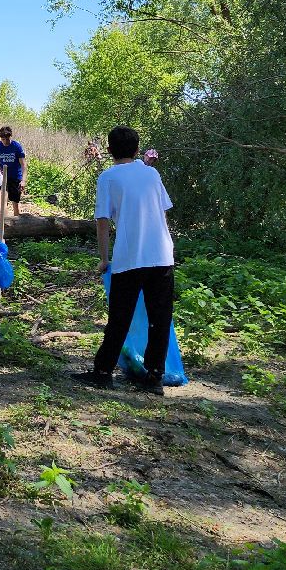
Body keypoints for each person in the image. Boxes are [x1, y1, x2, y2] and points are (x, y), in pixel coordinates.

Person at [73, 125, 176, 397]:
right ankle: (155, 376)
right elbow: (163, 212)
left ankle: (103, 372)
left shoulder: (108, 177)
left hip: (129, 257)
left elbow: (102, 221)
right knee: (160, 318)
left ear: (109, 150)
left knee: (120, 317)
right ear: (137, 149)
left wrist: (104, 258)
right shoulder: (151, 173)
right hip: (161, 255)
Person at [0, 126, 28, 219]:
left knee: (15, 200)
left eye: (7, 139)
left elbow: (23, 164)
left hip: (15, 176)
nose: (5, 142)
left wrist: (23, 180)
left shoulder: (16, 146)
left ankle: (16, 219)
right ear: (1, 138)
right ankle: (4, 221)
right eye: (3, 139)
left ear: (10, 137)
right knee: (3, 198)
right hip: (2, 176)